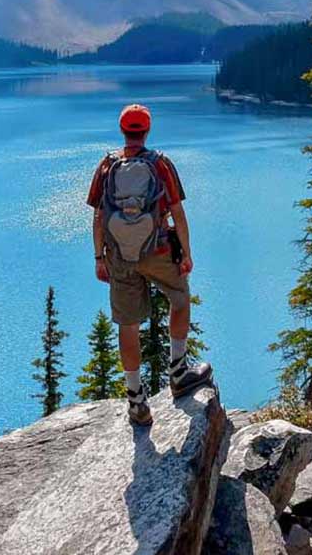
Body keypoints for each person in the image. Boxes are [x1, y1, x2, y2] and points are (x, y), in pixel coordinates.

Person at [89, 103, 213, 425]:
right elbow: (178, 213)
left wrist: (100, 257)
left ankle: (136, 402)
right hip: (157, 251)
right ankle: (179, 372)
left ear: (122, 130)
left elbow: (99, 217)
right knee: (180, 299)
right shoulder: (160, 164)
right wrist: (185, 254)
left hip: (120, 257)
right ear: (146, 130)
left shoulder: (107, 165)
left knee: (128, 325)